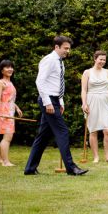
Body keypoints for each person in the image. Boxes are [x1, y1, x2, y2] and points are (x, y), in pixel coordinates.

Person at [24, 36, 88, 176]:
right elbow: (40, 82)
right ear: (56, 47)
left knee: (43, 136)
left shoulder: (60, 62)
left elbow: (56, 84)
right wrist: (47, 102)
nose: (68, 51)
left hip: (54, 100)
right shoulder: (49, 60)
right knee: (63, 131)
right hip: (48, 100)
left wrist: (61, 101)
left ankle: (29, 168)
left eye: (69, 48)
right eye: (65, 48)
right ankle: (71, 168)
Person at [81, 50, 108, 163]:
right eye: (100, 59)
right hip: (92, 101)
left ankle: (107, 156)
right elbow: (84, 90)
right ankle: (96, 157)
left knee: (107, 130)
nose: (102, 61)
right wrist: (84, 103)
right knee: (93, 130)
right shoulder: (87, 72)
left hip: (105, 101)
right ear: (95, 59)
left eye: (104, 60)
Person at [0, 59, 23, 166]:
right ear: (2, 70)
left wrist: (17, 108)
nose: (10, 69)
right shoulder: (0, 83)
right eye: (7, 67)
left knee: (5, 137)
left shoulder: (10, 83)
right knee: (7, 137)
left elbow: (9, 99)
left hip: (10, 112)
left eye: (11, 67)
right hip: (3, 113)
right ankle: (5, 162)